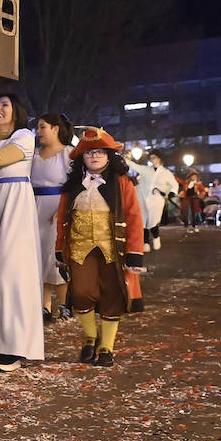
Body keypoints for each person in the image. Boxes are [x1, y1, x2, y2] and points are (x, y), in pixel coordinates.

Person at [55, 128, 145, 367]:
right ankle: (89, 337)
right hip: (78, 247)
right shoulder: (73, 185)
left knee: (112, 295)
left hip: (113, 249)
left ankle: (107, 346)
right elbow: (63, 218)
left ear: (109, 156)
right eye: (89, 153)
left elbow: (135, 217)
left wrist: (135, 254)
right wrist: (58, 249)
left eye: (100, 152)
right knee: (81, 293)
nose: (94, 156)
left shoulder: (123, 184)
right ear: (82, 157)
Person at [0, 94, 43, 372]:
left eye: (4, 104)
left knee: (11, 274)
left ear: (16, 111)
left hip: (15, 203)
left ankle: (14, 347)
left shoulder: (25, 136)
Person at [30, 113, 73, 320]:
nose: (38, 132)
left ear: (55, 128)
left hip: (58, 208)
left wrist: (64, 208)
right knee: (38, 257)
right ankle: (44, 305)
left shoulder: (69, 154)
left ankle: (65, 304)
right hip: (34, 208)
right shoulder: (33, 154)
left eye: (42, 127)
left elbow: (77, 185)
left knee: (56, 256)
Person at [142, 153, 179, 250]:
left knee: (153, 220)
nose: (152, 160)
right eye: (150, 158)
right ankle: (145, 242)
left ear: (159, 159)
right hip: (145, 198)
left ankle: (155, 237)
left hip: (158, 199)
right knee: (144, 220)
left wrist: (171, 192)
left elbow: (174, 184)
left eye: (154, 157)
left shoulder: (166, 172)